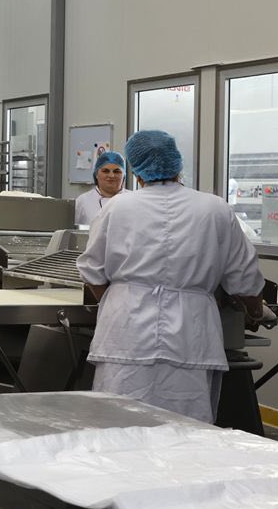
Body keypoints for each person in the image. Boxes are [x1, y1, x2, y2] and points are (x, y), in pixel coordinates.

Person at [76, 129, 266, 422]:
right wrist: (255, 312)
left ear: (135, 171)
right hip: (192, 332)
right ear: (178, 164)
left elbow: (92, 271)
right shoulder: (214, 208)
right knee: (185, 426)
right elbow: (245, 279)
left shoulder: (117, 207)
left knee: (119, 424)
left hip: (126, 332)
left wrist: (119, 302)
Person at [74, 150, 126, 226]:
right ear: (96, 174)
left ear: (124, 175)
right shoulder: (83, 201)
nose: (111, 176)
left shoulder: (132, 200)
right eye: (105, 171)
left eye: (117, 171)